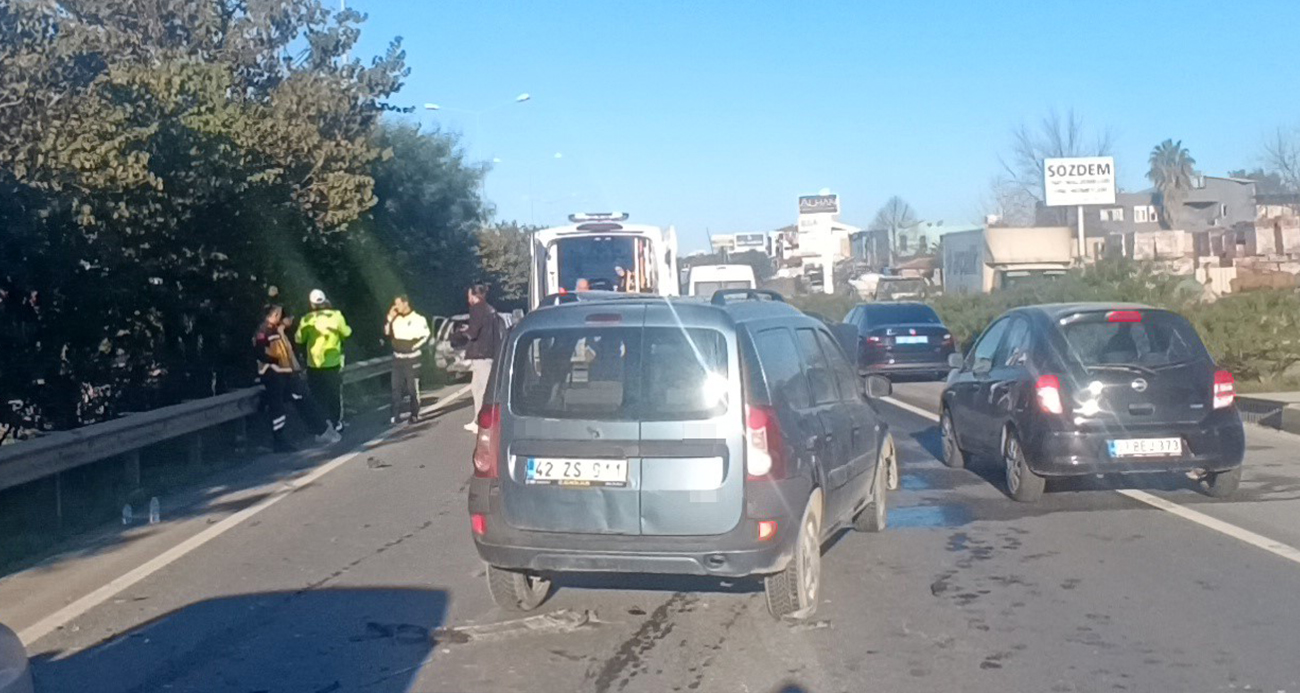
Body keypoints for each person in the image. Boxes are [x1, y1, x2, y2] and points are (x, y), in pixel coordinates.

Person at [254, 304, 341, 452]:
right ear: (272, 315)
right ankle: (279, 440)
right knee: (278, 408)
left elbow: (287, 352)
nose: (279, 317)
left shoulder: (276, 330)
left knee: (303, 398)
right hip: (273, 375)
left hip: (287, 373)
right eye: (278, 314)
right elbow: (260, 353)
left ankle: (321, 430)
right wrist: (275, 362)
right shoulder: (263, 332)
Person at [295, 289, 352, 431]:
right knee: (334, 394)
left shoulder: (306, 319)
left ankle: (321, 425)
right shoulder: (336, 316)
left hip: (314, 364)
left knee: (317, 395)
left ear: (311, 303)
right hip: (333, 362)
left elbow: (299, 338)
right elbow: (347, 332)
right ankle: (336, 422)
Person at [384, 295, 431, 425]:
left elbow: (426, 336)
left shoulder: (418, 319)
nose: (396, 307)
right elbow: (387, 333)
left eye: (398, 304)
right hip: (397, 358)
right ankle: (395, 414)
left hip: (412, 358)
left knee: (412, 388)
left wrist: (413, 346)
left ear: (405, 303)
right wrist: (390, 318)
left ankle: (414, 413)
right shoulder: (395, 319)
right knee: (396, 387)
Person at [463, 283, 503, 432]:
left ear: (474, 295)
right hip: (488, 354)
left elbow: (473, 332)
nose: (468, 298)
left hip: (481, 354)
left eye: (469, 295)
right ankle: (478, 420)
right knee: (477, 389)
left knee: (483, 390)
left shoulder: (477, 309)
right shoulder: (491, 310)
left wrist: (462, 332)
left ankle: (485, 423)